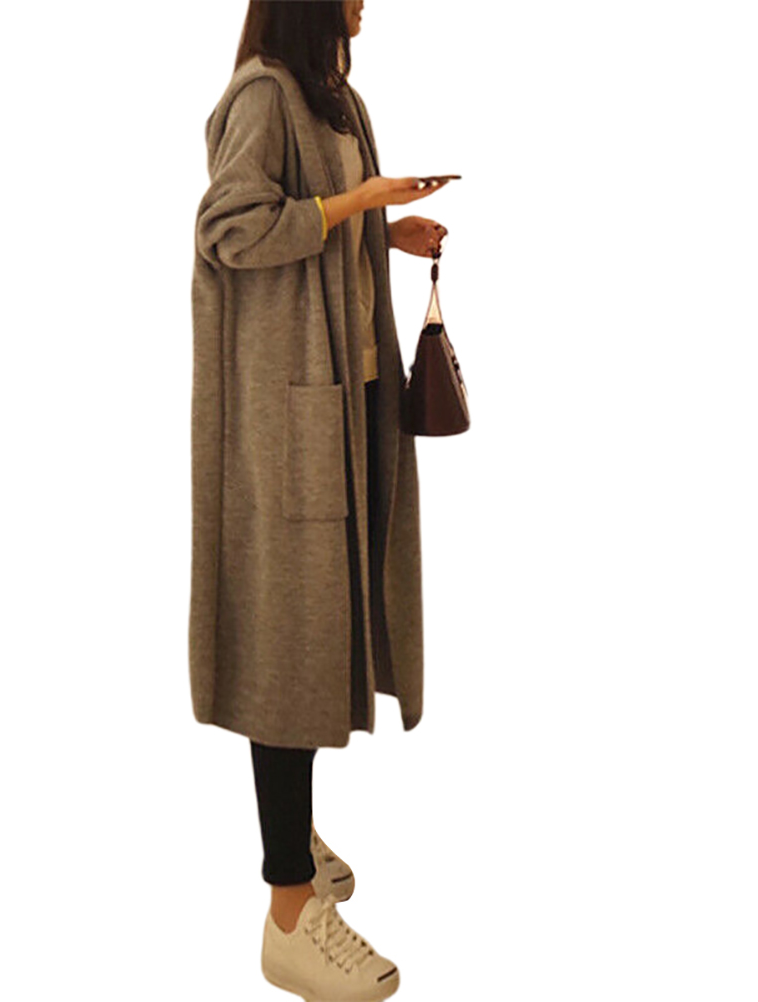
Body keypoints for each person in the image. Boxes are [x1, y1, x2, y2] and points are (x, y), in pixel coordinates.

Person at [190, 3, 450, 999]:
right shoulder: (264, 96)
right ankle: (289, 912)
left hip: (352, 402)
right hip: (289, 413)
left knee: (326, 626)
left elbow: (322, 217)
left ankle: (291, 826)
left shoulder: (338, 98)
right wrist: (354, 206)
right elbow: (230, 228)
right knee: (287, 638)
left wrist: (385, 227)